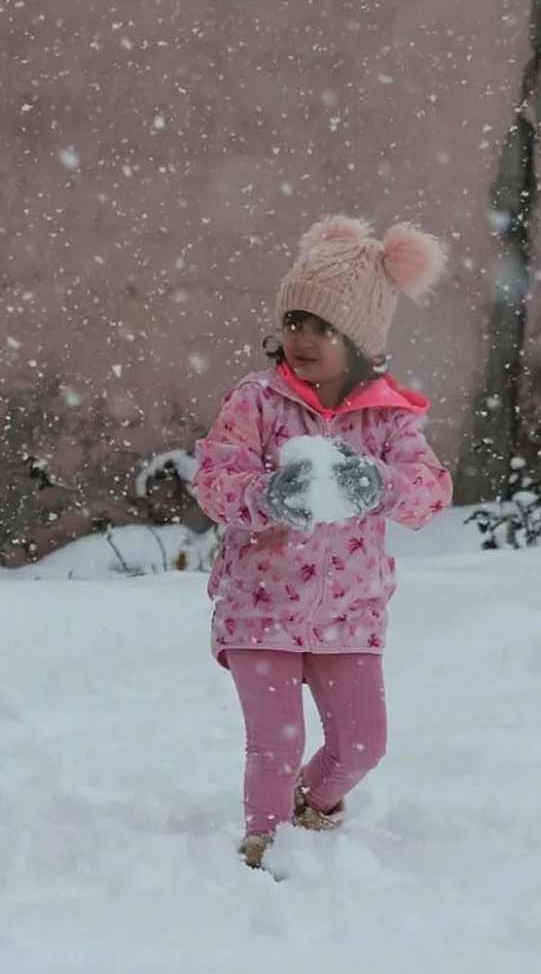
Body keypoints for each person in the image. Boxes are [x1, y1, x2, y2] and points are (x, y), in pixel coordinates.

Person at [192, 216, 453, 870]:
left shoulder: (389, 418)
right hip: (260, 606)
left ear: (361, 340)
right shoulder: (257, 402)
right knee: (275, 743)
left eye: (323, 326)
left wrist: (378, 482)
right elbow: (216, 482)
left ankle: (309, 804)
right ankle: (268, 846)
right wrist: (269, 496)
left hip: (349, 612)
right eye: (294, 321)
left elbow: (431, 493)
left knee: (362, 742)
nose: (301, 338)